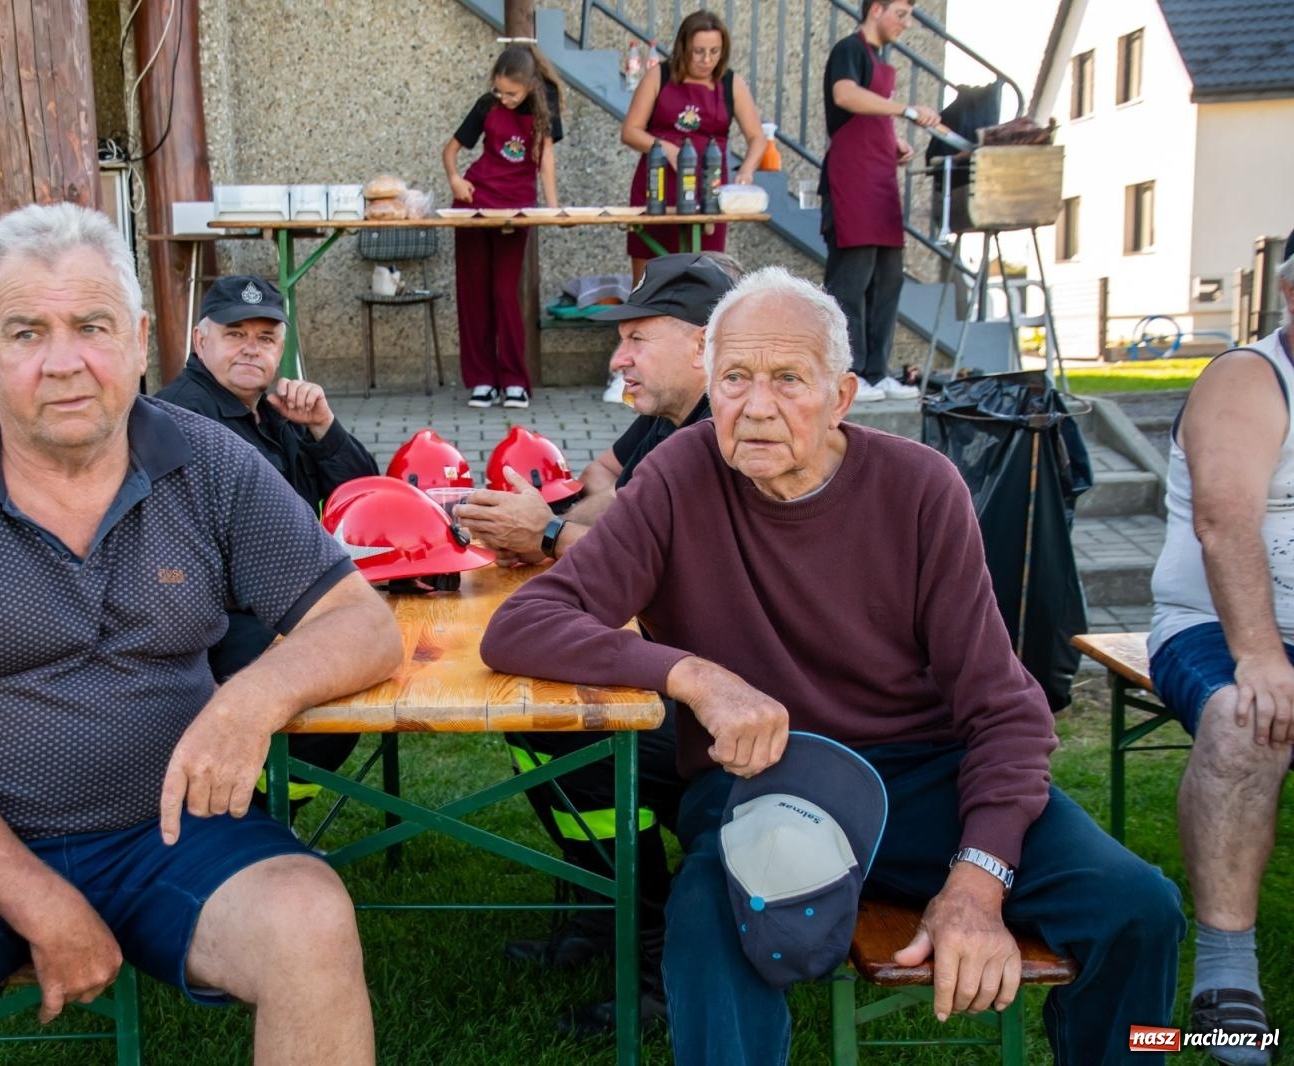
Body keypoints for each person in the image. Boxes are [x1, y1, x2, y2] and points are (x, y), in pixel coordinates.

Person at [482, 266, 1185, 1064]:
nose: (755, 406)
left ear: (843, 396)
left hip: (929, 779)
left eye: (789, 380)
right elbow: (524, 624)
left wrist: (977, 880)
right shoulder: (679, 476)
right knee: (708, 920)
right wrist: (696, 677)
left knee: (1140, 906)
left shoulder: (921, 489)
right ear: (710, 389)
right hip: (767, 779)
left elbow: (1003, 707)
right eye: (735, 379)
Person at [0, 203, 402, 1065]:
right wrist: (45, 903)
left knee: (310, 919)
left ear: (141, 339)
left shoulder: (213, 463)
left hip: (164, 828)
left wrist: (249, 699)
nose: (63, 362)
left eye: (91, 326)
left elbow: (362, 625)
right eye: (27, 332)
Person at [457, 252, 734, 1033]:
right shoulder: (671, 417)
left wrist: (549, 533)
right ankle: (597, 913)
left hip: (741, 704)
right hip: (685, 666)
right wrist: (559, 525)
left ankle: (650, 963)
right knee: (535, 720)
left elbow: (645, 550)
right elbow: (602, 486)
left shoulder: (725, 430)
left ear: (707, 344)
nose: (618, 359)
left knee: (577, 740)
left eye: (637, 339)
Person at [1147, 251, 1294, 1065]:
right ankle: (1226, 976)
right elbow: (1225, 522)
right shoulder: (1251, 379)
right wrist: (1264, 657)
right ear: (1288, 291)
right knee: (1248, 720)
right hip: (1217, 625)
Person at [156, 275, 378, 808]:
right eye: (235, 334)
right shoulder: (181, 417)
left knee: (361, 669)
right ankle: (247, 813)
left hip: (280, 597)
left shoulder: (276, 410)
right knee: (339, 687)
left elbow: (366, 496)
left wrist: (324, 427)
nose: (251, 348)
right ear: (200, 340)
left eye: (266, 337)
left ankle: (272, 812)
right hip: (218, 620)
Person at [818, 0, 935, 404]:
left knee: (887, 281)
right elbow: (846, 95)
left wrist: (894, 140)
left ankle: (875, 372)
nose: (906, 23)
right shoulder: (849, 50)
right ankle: (847, 374)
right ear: (876, 9)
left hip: (880, 183)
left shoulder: (878, 58)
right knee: (851, 283)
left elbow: (870, 115)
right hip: (851, 184)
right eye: (901, 13)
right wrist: (907, 112)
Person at [443, 42, 563, 410]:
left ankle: (514, 380)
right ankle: (481, 381)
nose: (504, 98)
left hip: (516, 210)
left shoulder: (545, 105)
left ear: (529, 86)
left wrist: (555, 208)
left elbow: (546, 163)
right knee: (474, 293)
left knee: (504, 293)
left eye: (511, 92)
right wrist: (455, 180)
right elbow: (451, 151)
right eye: (499, 91)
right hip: (475, 205)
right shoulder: (486, 105)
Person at [620, 12, 766, 286]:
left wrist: (746, 169)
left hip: (708, 192)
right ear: (684, 47)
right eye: (699, 51)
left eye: (714, 51)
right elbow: (630, 131)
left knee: (706, 279)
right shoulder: (659, 76)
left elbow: (757, 137)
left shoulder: (730, 84)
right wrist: (665, 148)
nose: (707, 59)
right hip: (658, 189)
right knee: (649, 283)